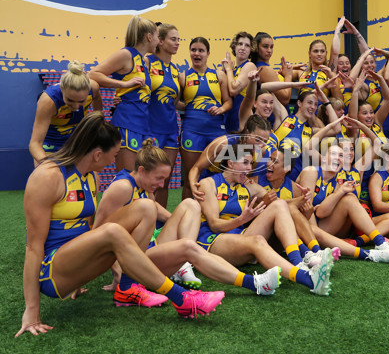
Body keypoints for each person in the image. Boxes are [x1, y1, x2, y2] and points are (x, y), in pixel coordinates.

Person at [16, 113, 226, 338]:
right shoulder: (47, 177)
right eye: (114, 154)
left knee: (146, 207)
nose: (115, 160)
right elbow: (33, 247)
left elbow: (87, 229)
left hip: (75, 263)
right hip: (51, 272)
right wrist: (32, 311)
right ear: (98, 154)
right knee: (113, 230)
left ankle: (128, 287)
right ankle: (182, 299)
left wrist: (80, 272)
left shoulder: (91, 176)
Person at [94, 139, 281, 298]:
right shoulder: (123, 187)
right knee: (189, 247)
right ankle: (254, 283)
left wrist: (185, 222)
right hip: (134, 259)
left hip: (147, 247)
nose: (161, 185)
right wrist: (119, 270)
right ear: (142, 170)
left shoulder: (143, 188)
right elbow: (99, 232)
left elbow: (159, 213)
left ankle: (184, 265)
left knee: (191, 204)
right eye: (159, 178)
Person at [197, 144, 335, 295]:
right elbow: (214, 225)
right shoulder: (208, 184)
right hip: (214, 240)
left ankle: (301, 261)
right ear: (230, 163)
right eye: (245, 163)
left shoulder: (247, 186)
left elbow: (280, 204)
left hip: (240, 235)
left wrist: (303, 198)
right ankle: (309, 279)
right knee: (258, 241)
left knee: (279, 205)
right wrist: (242, 219)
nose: (249, 168)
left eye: (250, 163)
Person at [296, 142, 389, 262]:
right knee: (314, 229)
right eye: (334, 154)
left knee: (350, 197)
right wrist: (315, 238)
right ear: (324, 159)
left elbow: (321, 213)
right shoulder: (311, 171)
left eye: (341, 155)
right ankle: (369, 254)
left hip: (321, 226)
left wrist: (341, 191)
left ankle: (381, 243)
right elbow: (307, 211)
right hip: (303, 229)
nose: (338, 158)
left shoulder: (335, 182)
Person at [89, 15, 158, 172]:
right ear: (149, 37)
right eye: (157, 36)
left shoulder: (144, 61)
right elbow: (93, 75)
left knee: (142, 178)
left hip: (143, 124)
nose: (158, 41)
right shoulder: (126, 54)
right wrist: (123, 84)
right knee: (127, 177)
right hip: (127, 122)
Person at [180, 36, 232, 200]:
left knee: (217, 180)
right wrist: (192, 108)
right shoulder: (182, 76)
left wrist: (220, 109)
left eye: (201, 50)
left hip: (215, 132)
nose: (197, 53)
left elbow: (228, 101)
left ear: (208, 53)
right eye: (193, 50)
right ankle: (185, 218)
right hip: (191, 131)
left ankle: (210, 219)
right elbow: (175, 103)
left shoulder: (219, 75)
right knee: (191, 179)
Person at [29, 60, 102, 166]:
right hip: (49, 143)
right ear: (62, 89)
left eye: (81, 101)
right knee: (48, 177)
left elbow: (97, 102)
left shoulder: (93, 88)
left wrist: (97, 121)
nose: (76, 106)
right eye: (70, 100)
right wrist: (47, 166)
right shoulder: (48, 101)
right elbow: (35, 144)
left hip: (75, 141)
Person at [188, 114, 272, 201]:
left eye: (265, 141)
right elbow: (197, 168)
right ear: (247, 133)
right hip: (211, 182)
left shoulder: (261, 151)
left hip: (234, 185)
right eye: (257, 140)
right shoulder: (222, 144)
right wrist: (193, 184)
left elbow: (248, 172)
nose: (261, 145)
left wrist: (246, 178)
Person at [146, 23, 183, 207]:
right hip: (150, 128)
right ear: (160, 41)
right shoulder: (147, 61)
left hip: (170, 130)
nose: (177, 43)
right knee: (148, 181)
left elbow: (176, 103)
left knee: (164, 181)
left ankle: (159, 225)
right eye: (173, 39)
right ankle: (145, 221)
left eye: (178, 39)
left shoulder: (176, 71)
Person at [223, 31, 257, 133]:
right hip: (228, 121)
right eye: (240, 44)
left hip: (241, 123)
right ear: (234, 47)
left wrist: (228, 69)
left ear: (251, 50)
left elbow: (234, 90)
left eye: (247, 45)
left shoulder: (249, 65)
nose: (242, 48)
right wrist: (224, 70)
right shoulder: (232, 69)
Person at [251, 32, 291, 105]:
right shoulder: (265, 69)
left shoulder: (262, 67)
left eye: (271, 47)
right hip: (274, 115)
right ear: (256, 48)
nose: (269, 50)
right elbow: (285, 99)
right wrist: (289, 75)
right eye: (265, 46)